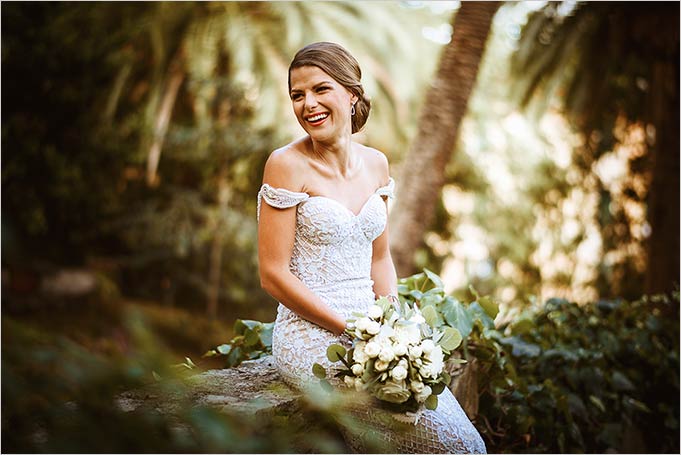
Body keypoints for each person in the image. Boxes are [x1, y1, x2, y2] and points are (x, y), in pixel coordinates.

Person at [256, 41, 486, 454]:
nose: (308, 104)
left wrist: (395, 330)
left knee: (467, 442)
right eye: (297, 94)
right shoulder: (284, 164)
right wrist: (350, 332)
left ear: (351, 93)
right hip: (311, 338)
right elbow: (273, 274)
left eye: (320, 89)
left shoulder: (377, 163)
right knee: (436, 443)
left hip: (372, 330)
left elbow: (380, 257)